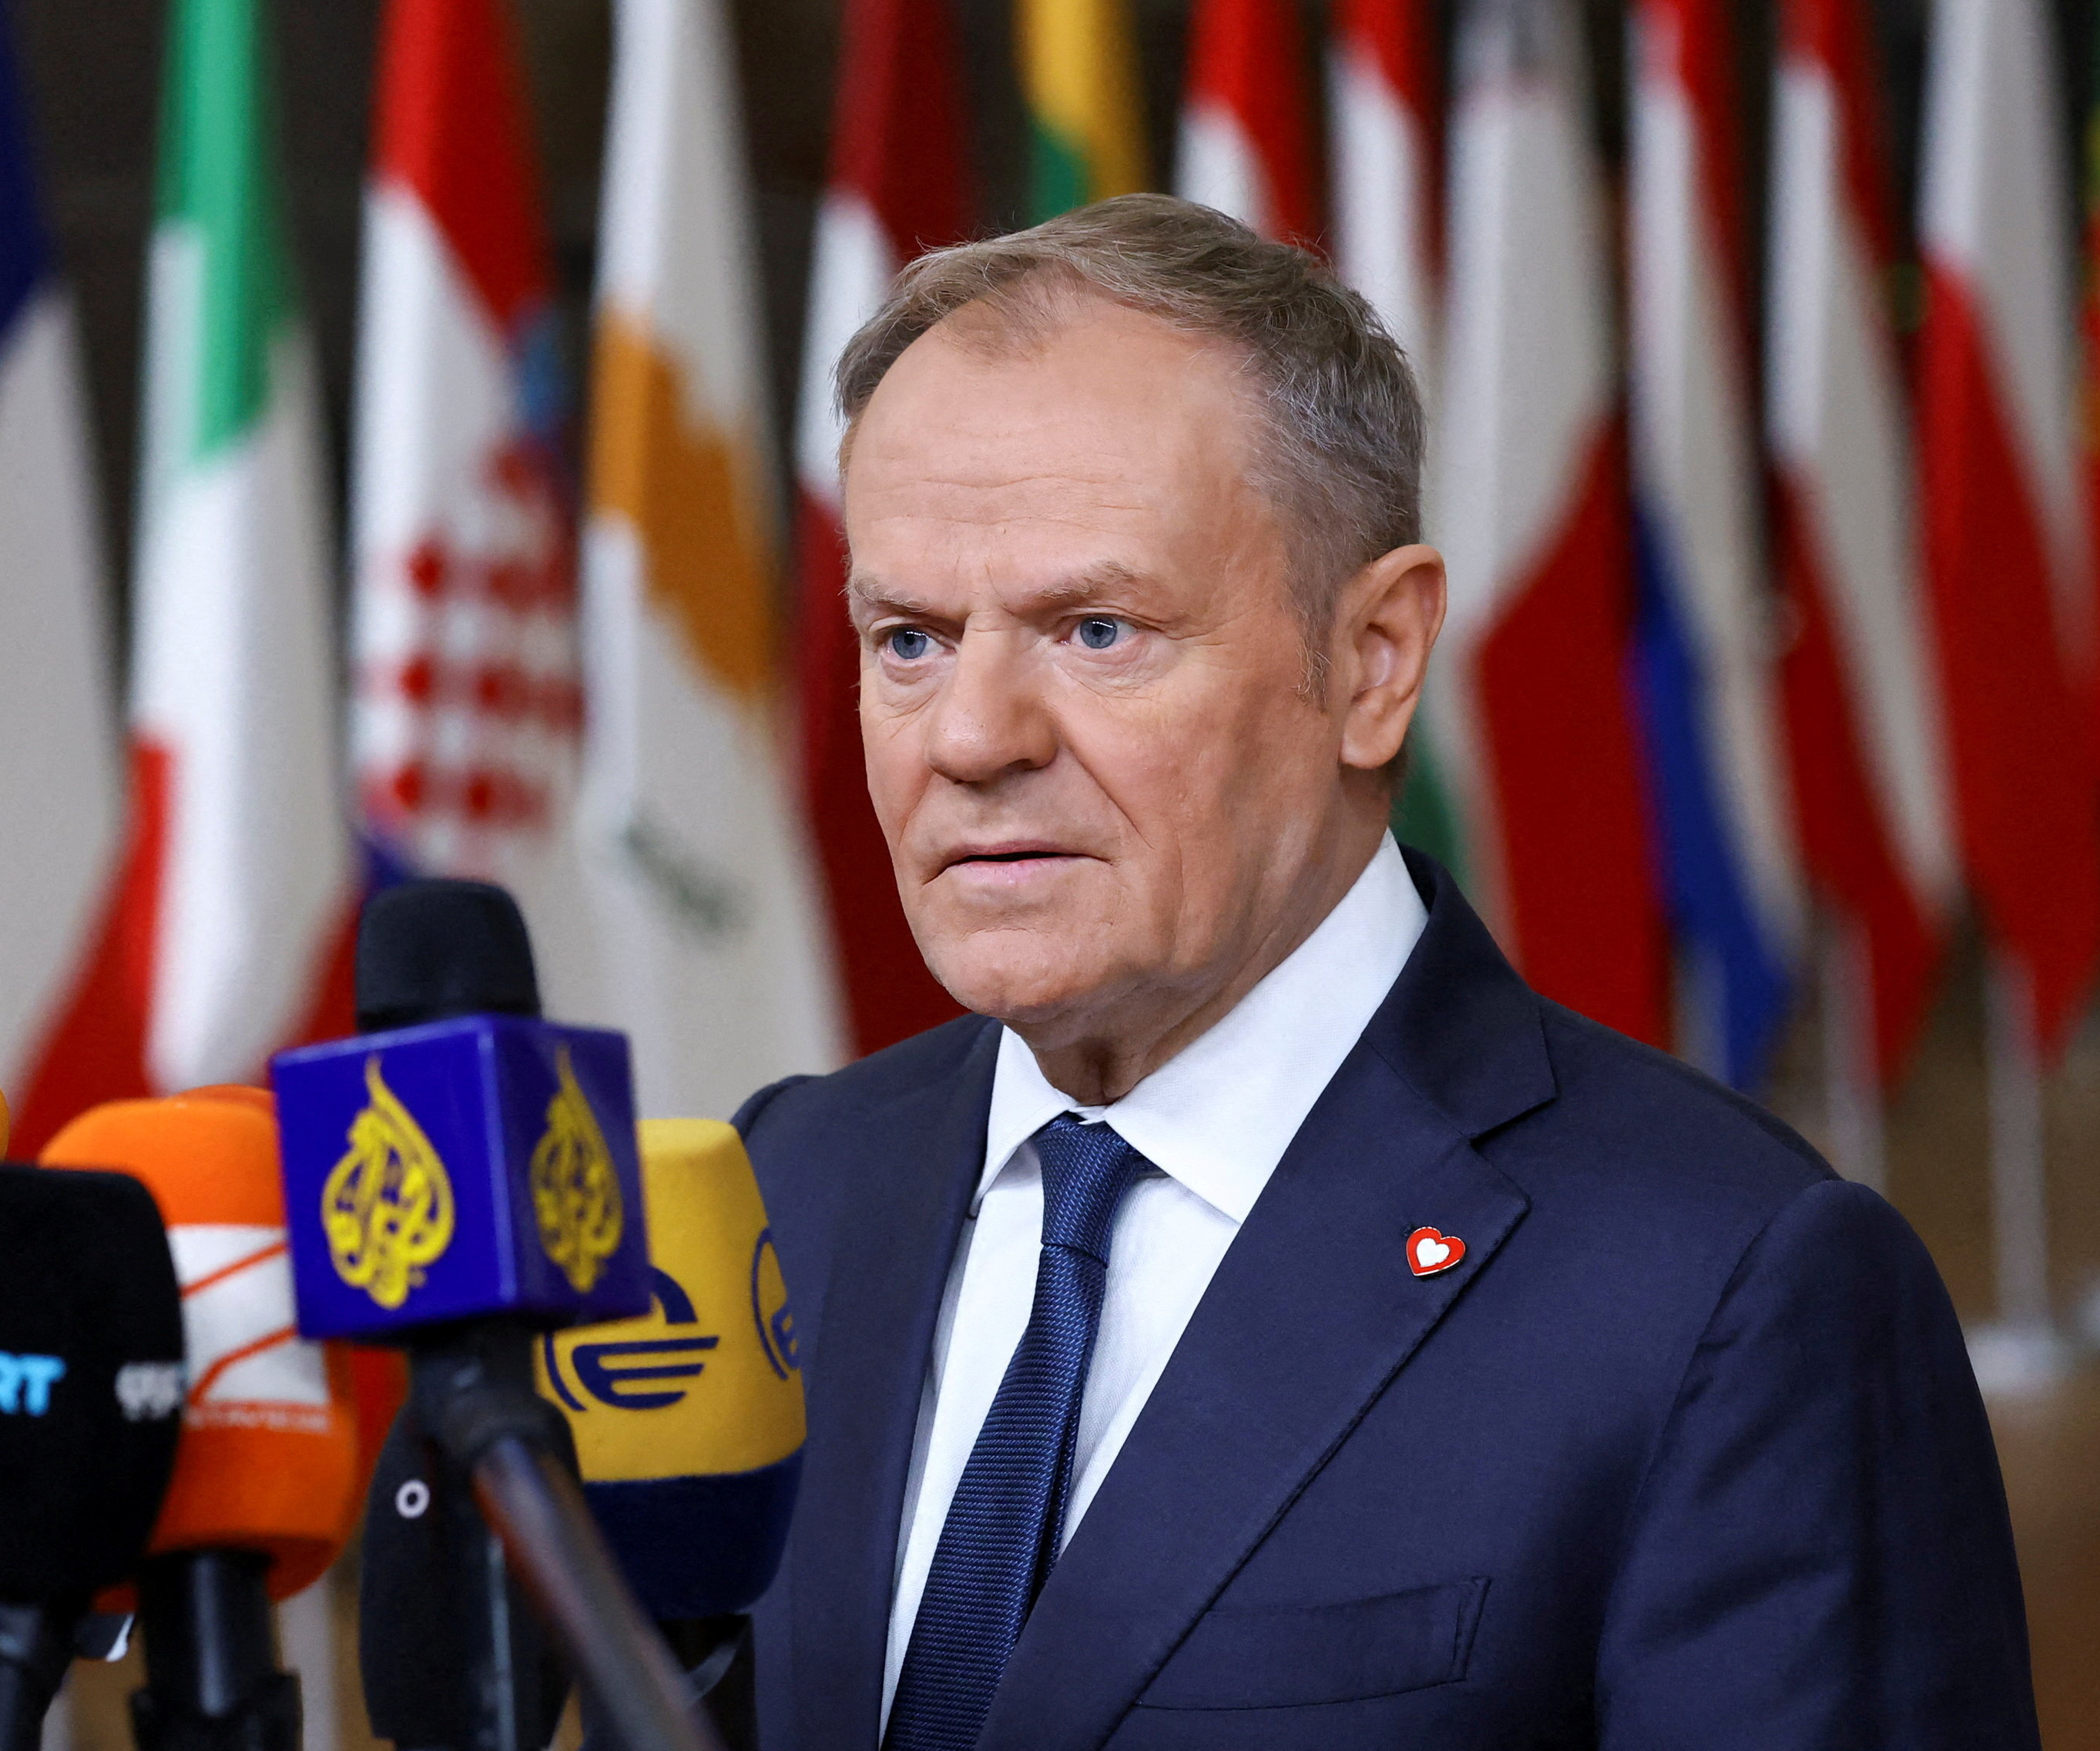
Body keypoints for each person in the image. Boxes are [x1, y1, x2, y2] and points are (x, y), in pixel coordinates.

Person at [739, 196, 2034, 1750]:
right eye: (907, 640)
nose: (970, 736)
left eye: (1093, 629)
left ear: (1371, 659)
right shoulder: (786, 1191)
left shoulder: (1726, 1293)